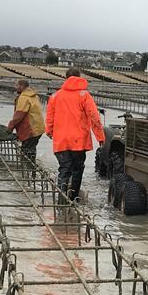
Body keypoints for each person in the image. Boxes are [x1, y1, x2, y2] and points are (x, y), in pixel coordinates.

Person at [45, 68, 105, 201]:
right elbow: (94, 117)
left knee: (64, 169)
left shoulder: (55, 96)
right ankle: (73, 198)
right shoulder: (84, 95)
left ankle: (61, 201)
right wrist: (100, 137)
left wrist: (49, 132)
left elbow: (49, 118)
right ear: (79, 77)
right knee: (77, 169)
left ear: (66, 78)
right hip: (79, 141)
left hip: (61, 141)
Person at [7, 79, 45, 167]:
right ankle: (32, 170)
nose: (15, 87)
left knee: (25, 152)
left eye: (16, 85)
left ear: (21, 86)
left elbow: (19, 115)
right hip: (38, 128)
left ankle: (28, 170)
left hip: (31, 129)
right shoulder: (34, 96)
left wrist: (10, 127)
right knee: (31, 150)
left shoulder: (24, 98)